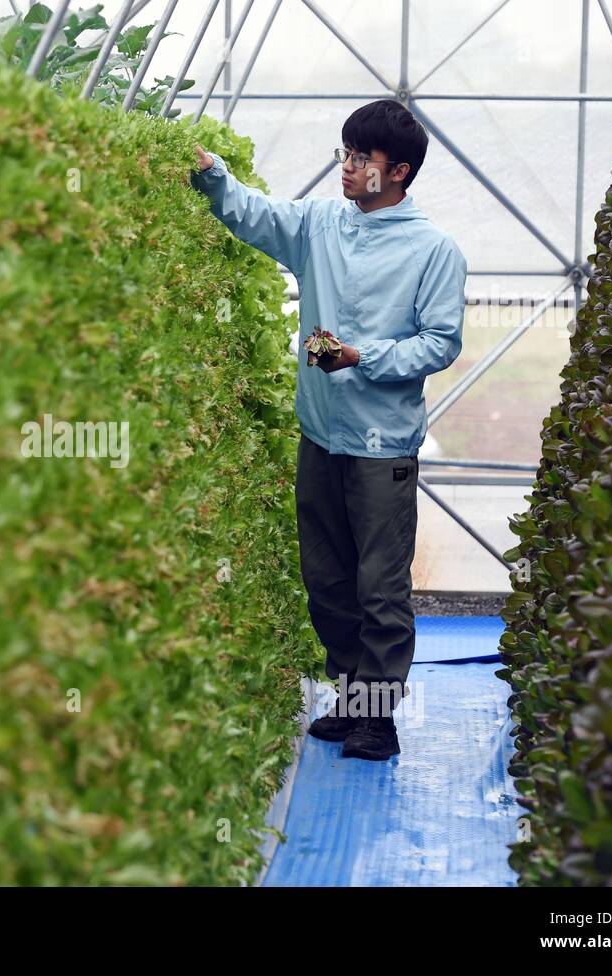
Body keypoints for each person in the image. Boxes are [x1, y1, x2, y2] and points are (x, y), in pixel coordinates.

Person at [190, 99, 467, 761]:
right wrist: (212, 176)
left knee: (380, 587)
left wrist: (360, 356)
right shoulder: (321, 224)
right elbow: (257, 216)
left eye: (361, 158)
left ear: (397, 171)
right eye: (345, 154)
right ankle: (351, 702)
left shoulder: (433, 250)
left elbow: (440, 343)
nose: (346, 168)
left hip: (381, 449)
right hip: (320, 437)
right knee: (329, 582)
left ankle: (379, 720)